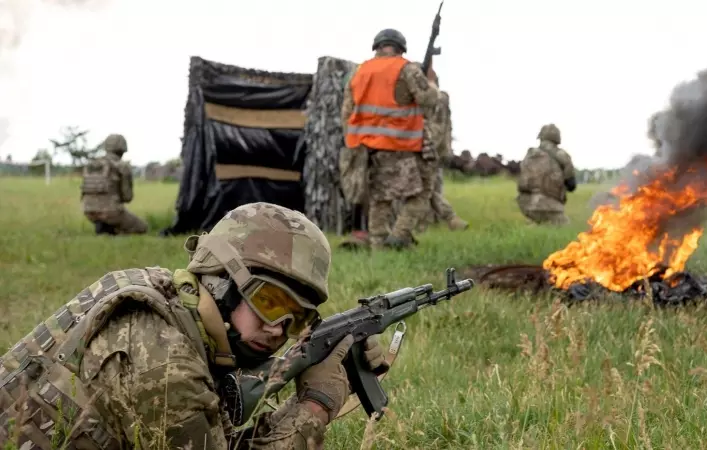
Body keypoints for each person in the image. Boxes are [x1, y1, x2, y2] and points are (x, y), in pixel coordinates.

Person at [0, 202, 387, 449]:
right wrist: (317, 404)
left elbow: (215, 436)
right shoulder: (163, 359)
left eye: (298, 319)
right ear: (219, 280)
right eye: (269, 302)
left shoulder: (159, 291)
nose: (278, 329)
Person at [341, 28, 441, 250]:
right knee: (423, 190)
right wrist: (431, 82)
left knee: (380, 197)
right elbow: (429, 99)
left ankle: (378, 244)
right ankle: (399, 235)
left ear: (377, 46)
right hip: (402, 145)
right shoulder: (406, 69)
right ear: (400, 48)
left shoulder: (360, 72)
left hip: (367, 148)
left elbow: (346, 112)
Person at [416, 73, 468, 232]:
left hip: (426, 146)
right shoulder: (443, 99)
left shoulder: (433, 100)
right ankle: (447, 219)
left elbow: (433, 126)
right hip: (438, 148)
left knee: (425, 188)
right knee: (430, 187)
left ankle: (448, 218)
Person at [80, 133, 148, 235]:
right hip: (112, 213)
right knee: (142, 227)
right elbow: (127, 197)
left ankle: (106, 229)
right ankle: (115, 229)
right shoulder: (122, 166)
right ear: (122, 149)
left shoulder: (92, 164)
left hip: (88, 211)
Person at [517, 124, 577, 226]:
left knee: (538, 223)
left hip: (525, 203)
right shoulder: (562, 155)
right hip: (551, 206)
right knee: (565, 228)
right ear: (557, 138)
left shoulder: (530, 155)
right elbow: (571, 185)